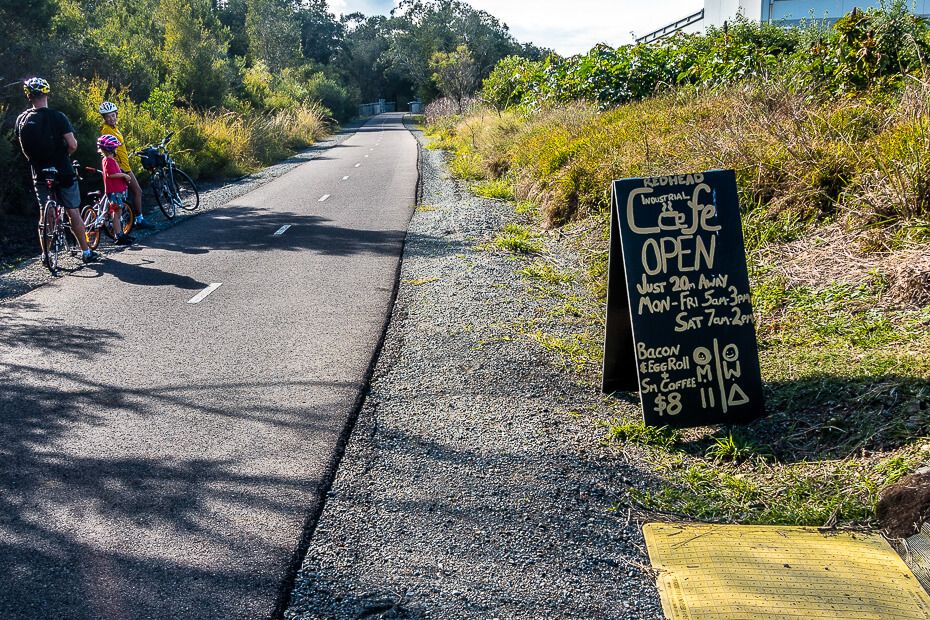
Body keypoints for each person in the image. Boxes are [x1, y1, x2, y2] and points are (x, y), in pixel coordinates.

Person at [15, 77, 100, 264]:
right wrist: (62, 156)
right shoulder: (58, 117)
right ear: (46, 93)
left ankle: (45, 255)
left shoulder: (22, 119)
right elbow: (72, 144)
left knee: (45, 214)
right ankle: (86, 252)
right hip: (62, 169)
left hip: (39, 172)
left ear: (29, 96)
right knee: (73, 210)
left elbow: (24, 149)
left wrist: (36, 161)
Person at [98, 101, 152, 229]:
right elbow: (108, 148)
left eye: (113, 115)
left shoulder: (114, 128)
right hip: (120, 168)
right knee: (136, 191)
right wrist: (118, 167)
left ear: (116, 114)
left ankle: (125, 221)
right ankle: (139, 220)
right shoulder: (107, 130)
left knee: (121, 196)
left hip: (125, 165)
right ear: (104, 118)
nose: (111, 118)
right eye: (108, 116)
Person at [97, 134, 135, 246]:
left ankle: (120, 234)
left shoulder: (109, 160)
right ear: (111, 149)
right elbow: (110, 174)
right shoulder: (108, 160)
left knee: (118, 212)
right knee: (116, 213)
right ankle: (118, 235)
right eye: (115, 148)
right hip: (114, 191)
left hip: (117, 190)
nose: (116, 149)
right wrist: (124, 175)